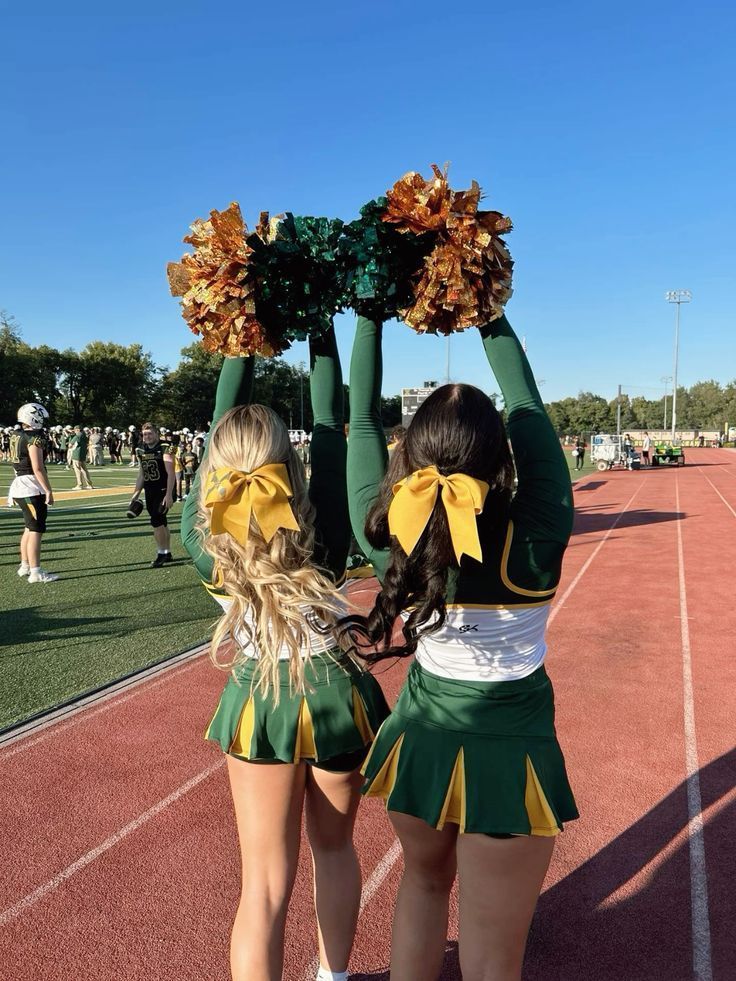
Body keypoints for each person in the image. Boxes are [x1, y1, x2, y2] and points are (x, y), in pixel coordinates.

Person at [339, 314, 578, 981]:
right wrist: (489, 310)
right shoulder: (536, 533)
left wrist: (367, 316)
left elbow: (360, 420)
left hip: (422, 743)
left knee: (421, 885)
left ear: (408, 456)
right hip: (509, 754)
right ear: (499, 459)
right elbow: (528, 406)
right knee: (491, 954)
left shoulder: (389, 535)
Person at [180, 327, 389, 981]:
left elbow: (222, 416)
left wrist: (242, 328)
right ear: (288, 464)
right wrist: (327, 329)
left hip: (259, 701)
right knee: (336, 851)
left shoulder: (202, 536)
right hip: (334, 696)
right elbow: (336, 418)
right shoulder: (323, 512)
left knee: (263, 884)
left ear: (214, 467)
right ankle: (333, 976)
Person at [8, 403, 58, 583]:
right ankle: (36, 572)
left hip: (19, 484)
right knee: (36, 529)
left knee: (29, 528)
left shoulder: (16, 434)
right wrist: (48, 490)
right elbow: (37, 468)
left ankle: (25, 565)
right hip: (31, 485)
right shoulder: (33, 438)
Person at [128, 422, 176, 566]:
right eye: (145, 434)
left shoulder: (165, 447)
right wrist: (136, 493)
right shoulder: (140, 449)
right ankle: (167, 552)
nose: (147, 436)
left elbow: (171, 473)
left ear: (156, 434)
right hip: (150, 489)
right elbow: (141, 474)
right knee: (162, 522)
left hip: (163, 489)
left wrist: (169, 494)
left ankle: (161, 553)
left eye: (150, 433)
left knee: (156, 521)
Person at [69, 425, 94, 490]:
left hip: (76, 454)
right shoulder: (84, 436)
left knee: (77, 470)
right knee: (84, 469)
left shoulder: (77, 436)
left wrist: (71, 437)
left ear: (77, 430)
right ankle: (89, 484)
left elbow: (70, 445)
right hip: (83, 454)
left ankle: (79, 484)